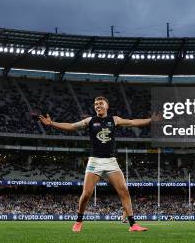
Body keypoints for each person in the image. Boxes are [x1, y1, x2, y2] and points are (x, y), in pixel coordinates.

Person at [39, 96, 153, 233]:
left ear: (107, 106)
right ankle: (78, 221)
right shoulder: (90, 120)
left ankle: (133, 225)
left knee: (124, 191)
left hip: (111, 161)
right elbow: (71, 126)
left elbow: (133, 122)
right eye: (95, 104)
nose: (97, 105)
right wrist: (52, 123)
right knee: (87, 194)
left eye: (100, 103)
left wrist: (151, 120)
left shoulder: (114, 120)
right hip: (95, 161)